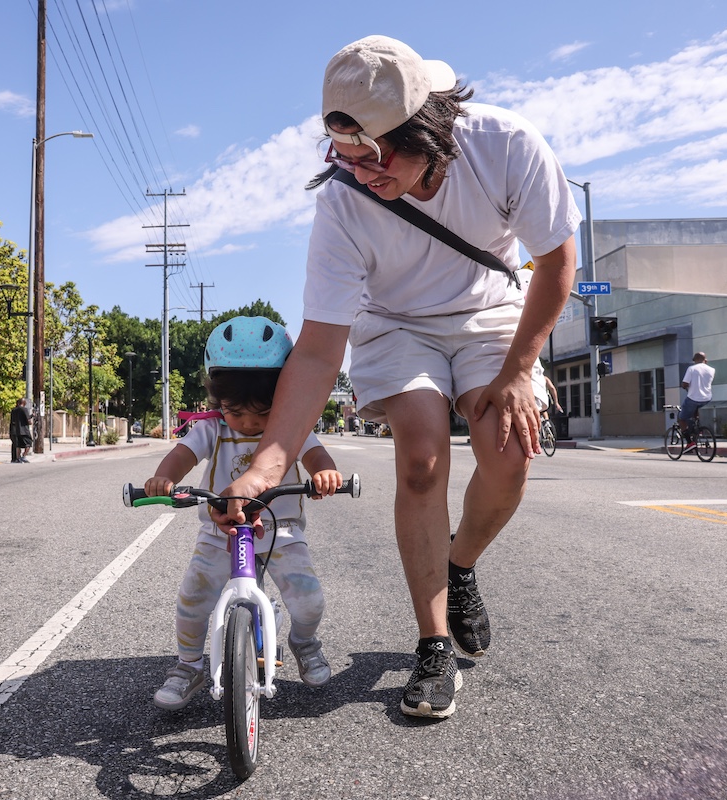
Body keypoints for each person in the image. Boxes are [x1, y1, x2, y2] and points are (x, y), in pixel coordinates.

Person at [210, 36, 581, 719]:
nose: (359, 173)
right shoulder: (344, 205)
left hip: (489, 310)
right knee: (421, 455)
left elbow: (558, 263)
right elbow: (321, 349)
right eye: (342, 158)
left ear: (428, 133)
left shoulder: (505, 143)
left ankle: (460, 562)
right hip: (395, 323)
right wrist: (268, 462)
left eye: (373, 158)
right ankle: (434, 644)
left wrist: (519, 369)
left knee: (507, 445)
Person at [146, 316, 344, 710]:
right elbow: (181, 454)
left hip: (280, 528)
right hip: (222, 531)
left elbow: (315, 452)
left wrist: (324, 471)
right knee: (192, 598)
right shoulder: (212, 429)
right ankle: (189, 665)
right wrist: (163, 479)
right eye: (236, 412)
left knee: (308, 600)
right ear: (218, 401)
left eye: (263, 414)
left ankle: (304, 643)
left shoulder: (293, 427)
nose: (250, 423)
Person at [679, 352, 715, 438]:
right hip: (707, 398)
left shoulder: (691, 368)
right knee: (695, 409)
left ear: (695, 360)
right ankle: (697, 429)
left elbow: (684, 384)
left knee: (681, 419)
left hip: (693, 398)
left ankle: (689, 443)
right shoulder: (712, 370)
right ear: (705, 360)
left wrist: (685, 387)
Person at [9, 398, 32, 463]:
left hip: (17, 431)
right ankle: (24, 456)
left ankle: (18, 458)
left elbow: (17, 419)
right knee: (28, 443)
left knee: (18, 445)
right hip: (24, 431)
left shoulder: (14, 410)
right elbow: (28, 420)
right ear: (24, 403)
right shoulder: (24, 409)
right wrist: (30, 422)